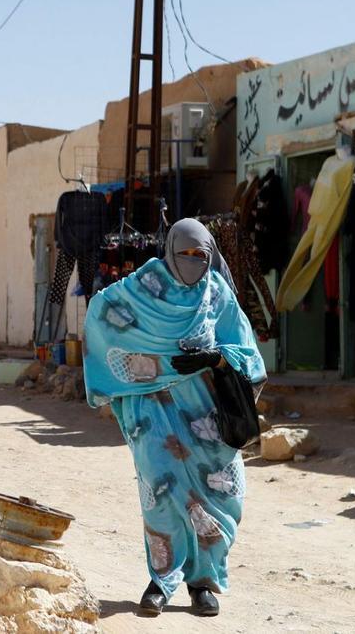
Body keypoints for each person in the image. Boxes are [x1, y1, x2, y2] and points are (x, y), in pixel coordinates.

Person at [82, 218, 266, 618]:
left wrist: (215, 357)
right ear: (168, 252)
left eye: (202, 255)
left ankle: (203, 582)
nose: (193, 262)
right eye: (184, 254)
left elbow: (247, 353)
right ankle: (162, 580)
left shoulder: (217, 295)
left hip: (208, 415)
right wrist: (153, 363)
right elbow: (101, 314)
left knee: (221, 495)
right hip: (153, 411)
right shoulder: (141, 290)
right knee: (160, 492)